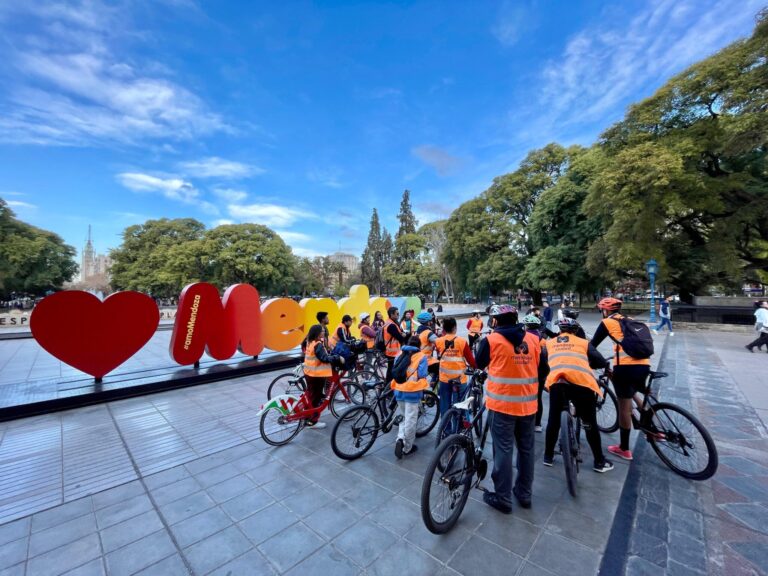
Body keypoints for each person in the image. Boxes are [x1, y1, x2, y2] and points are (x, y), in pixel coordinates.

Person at [475, 305, 546, 513]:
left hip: (502, 406)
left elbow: (479, 364)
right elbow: (543, 370)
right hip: (528, 406)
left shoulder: (491, 340)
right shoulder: (534, 340)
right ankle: (524, 494)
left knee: (503, 451)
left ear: (496, 321)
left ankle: (502, 497)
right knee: (526, 450)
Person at [543, 318, 614, 473]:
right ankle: (599, 461)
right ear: (575, 331)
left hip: (557, 383)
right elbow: (600, 361)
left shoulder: (549, 343)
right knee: (589, 422)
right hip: (581, 383)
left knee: (553, 420)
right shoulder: (583, 343)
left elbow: (543, 362)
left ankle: (548, 456)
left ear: (560, 330)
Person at [591, 297, 651, 461]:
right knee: (632, 393)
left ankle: (624, 448)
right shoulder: (630, 320)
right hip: (644, 364)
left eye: (601, 310)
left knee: (624, 406)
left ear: (606, 310)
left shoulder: (607, 323)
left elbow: (591, 346)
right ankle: (655, 430)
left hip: (625, 367)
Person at [393, 336, 430, 458]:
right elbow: (423, 374)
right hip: (412, 392)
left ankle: (400, 439)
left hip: (398, 391)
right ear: (419, 345)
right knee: (410, 420)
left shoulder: (399, 354)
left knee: (404, 417)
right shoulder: (421, 356)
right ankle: (407, 447)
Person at [435, 317, 477, 417]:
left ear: (444, 328)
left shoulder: (438, 341)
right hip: (459, 379)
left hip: (444, 378)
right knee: (460, 405)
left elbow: (439, 355)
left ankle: (445, 430)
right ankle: (460, 429)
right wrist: (476, 367)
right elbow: (471, 361)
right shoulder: (462, 342)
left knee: (445, 405)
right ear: (455, 327)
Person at [302, 324, 340, 429]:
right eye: (322, 331)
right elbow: (324, 358)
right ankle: (312, 422)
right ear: (318, 333)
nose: (324, 332)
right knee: (316, 398)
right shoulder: (318, 344)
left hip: (308, 373)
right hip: (316, 375)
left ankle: (307, 416)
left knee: (311, 396)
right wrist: (336, 358)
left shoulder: (310, 342)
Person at [523, 314, 546, 432]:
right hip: (540, 375)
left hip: (527, 373)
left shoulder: (524, 338)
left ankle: (525, 421)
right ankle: (537, 424)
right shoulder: (543, 340)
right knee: (538, 398)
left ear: (526, 327)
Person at [415, 311, 441, 382]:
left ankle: (433, 382)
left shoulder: (418, 331)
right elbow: (439, 342)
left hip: (417, 359)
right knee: (443, 369)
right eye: (431, 321)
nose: (432, 322)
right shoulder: (428, 333)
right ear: (428, 322)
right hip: (426, 361)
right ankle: (436, 386)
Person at [384, 307, 407, 383]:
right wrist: (403, 335)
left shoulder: (390, 322)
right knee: (391, 370)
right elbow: (400, 337)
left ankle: (389, 385)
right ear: (391, 314)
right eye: (397, 314)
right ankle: (388, 386)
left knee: (391, 368)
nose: (398, 315)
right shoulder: (391, 325)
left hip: (391, 350)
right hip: (393, 351)